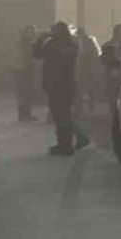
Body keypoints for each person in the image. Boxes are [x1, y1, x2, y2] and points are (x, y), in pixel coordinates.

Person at [32, 21, 88, 155]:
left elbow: (36, 54)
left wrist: (41, 38)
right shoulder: (71, 45)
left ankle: (65, 145)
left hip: (57, 85)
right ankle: (71, 141)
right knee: (63, 115)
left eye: (54, 30)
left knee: (60, 116)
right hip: (66, 84)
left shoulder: (54, 45)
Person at [14, 25, 37, 122]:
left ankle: (24, 114)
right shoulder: (26, 44)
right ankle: (24, 115)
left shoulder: (21, 43)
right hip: (25, 70)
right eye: (31, 32)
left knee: (24, 94)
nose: (32, 34)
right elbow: (29, 57)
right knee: (25, 93)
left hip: (22, 70)